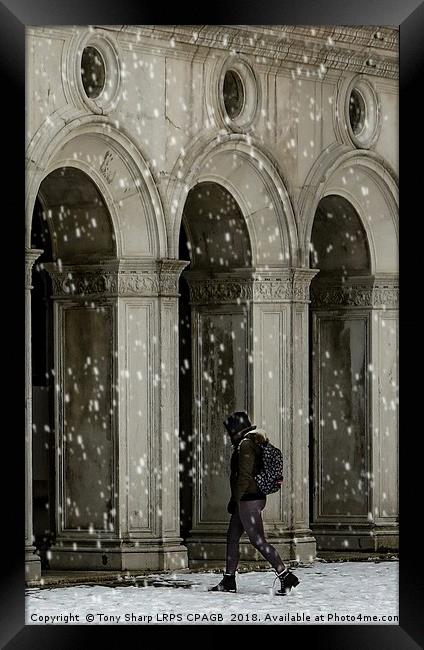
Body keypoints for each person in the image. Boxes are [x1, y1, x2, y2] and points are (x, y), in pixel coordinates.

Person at [209, 411, 300, 596]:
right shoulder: (251, 443)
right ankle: (228, 580)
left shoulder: (246, 445)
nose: (229, 436)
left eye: (230, 432)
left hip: (249, 499)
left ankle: (286, 576)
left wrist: (235, 499)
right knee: (232, 537)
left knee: (258, 540)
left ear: (236, 431)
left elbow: (244, 475)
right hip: (248, 497)